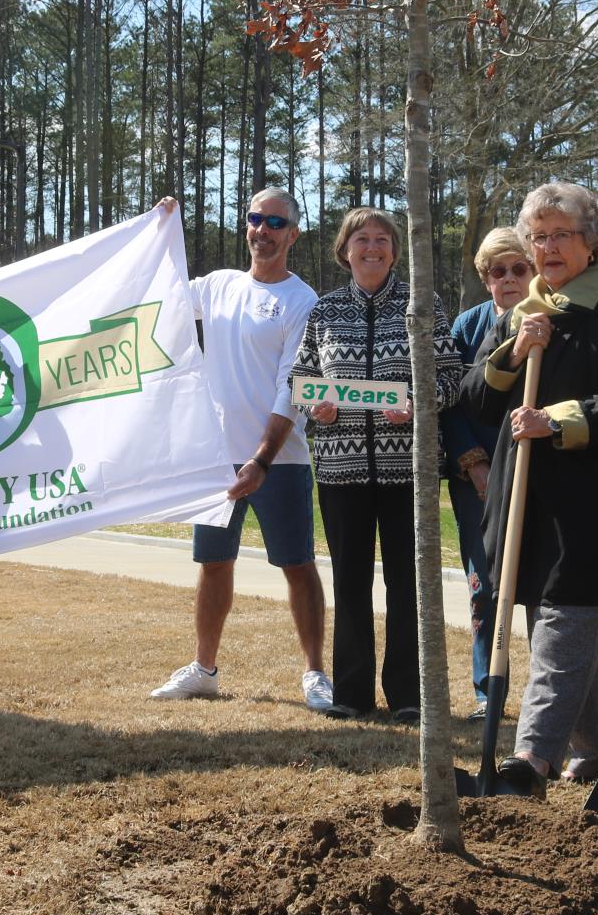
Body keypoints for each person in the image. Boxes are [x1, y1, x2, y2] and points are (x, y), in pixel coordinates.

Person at [462, 185, 598, 795]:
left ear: (591, 242)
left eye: (561, 235)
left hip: (594, 507)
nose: (547, 247)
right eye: (539, 236)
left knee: (562, 625)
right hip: (529, 500)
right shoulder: (525, 311)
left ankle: (530, 763)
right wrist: (515, 349)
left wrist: (557, 419)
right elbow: (475, 395)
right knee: (561, 628)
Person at [148, 189, 334, 711]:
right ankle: (204, 669)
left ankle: (315, 674)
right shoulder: (218, 287)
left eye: (275, 222)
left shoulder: (302, 301)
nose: (263, 230)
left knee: (297, 564)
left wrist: (261, 459)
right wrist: (159, 232)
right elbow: (155, 294)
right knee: (213, 564)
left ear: (293, 234)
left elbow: (290, 386)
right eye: (255, 219)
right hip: (215, 459)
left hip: (280, 459)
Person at [293, 206, 462, 723]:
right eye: (361, 239)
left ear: (395, 249)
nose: (372, 247)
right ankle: (352, 694)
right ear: (345, 251)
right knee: (349, 579)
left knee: (408, 582)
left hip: (406, 471)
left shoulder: (421, 304)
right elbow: (300, 379)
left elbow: (453, 376)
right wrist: (314, 404)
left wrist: (414, 401)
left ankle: (411, 696)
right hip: (341, 471)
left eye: (382, 239)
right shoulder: (325, 311)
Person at [442, 227, 533, 719]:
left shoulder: (551, 317)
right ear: (485, 277)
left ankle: (548, 698)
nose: (510, 278)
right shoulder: (467, 327)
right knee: (484, 585)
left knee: (543, 589)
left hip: (541, 469)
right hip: (476, 474)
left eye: (520, 268)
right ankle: (487, 692)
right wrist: (473, 464)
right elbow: (451, 402)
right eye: (499, 271)